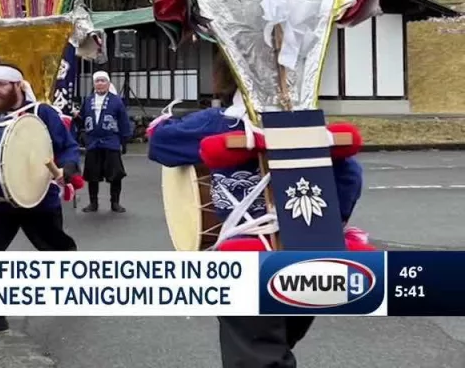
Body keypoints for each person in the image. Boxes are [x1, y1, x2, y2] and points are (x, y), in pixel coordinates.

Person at [147, 52, 365, 368]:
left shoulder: (218, 123)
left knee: (255, 355)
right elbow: (350, 177)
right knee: (278, 345)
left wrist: (166, 123)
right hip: (311, 254)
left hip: (249, 253)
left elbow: (161, 144)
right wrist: (332, 223)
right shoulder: (313, 130)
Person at [0, 65, 83, 335]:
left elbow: (68, 146)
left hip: (37, 196)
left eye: (2, 85)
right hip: (1, 199)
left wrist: (69, 167)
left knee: (56, 248)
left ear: (18, 85)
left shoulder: (41, 113)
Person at [80, 71, 132, 213]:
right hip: (93, 142)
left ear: (108, 83)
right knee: (92, 175)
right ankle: (93, 203)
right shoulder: (88, 100)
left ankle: (115, 202)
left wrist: (124, 140)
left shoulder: (116, 101)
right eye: (97, 81)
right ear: (94, 84)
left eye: (103, 81)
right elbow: (82, 119)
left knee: (115, 174)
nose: (100, 83)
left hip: (111, 141)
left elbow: (123, 121)